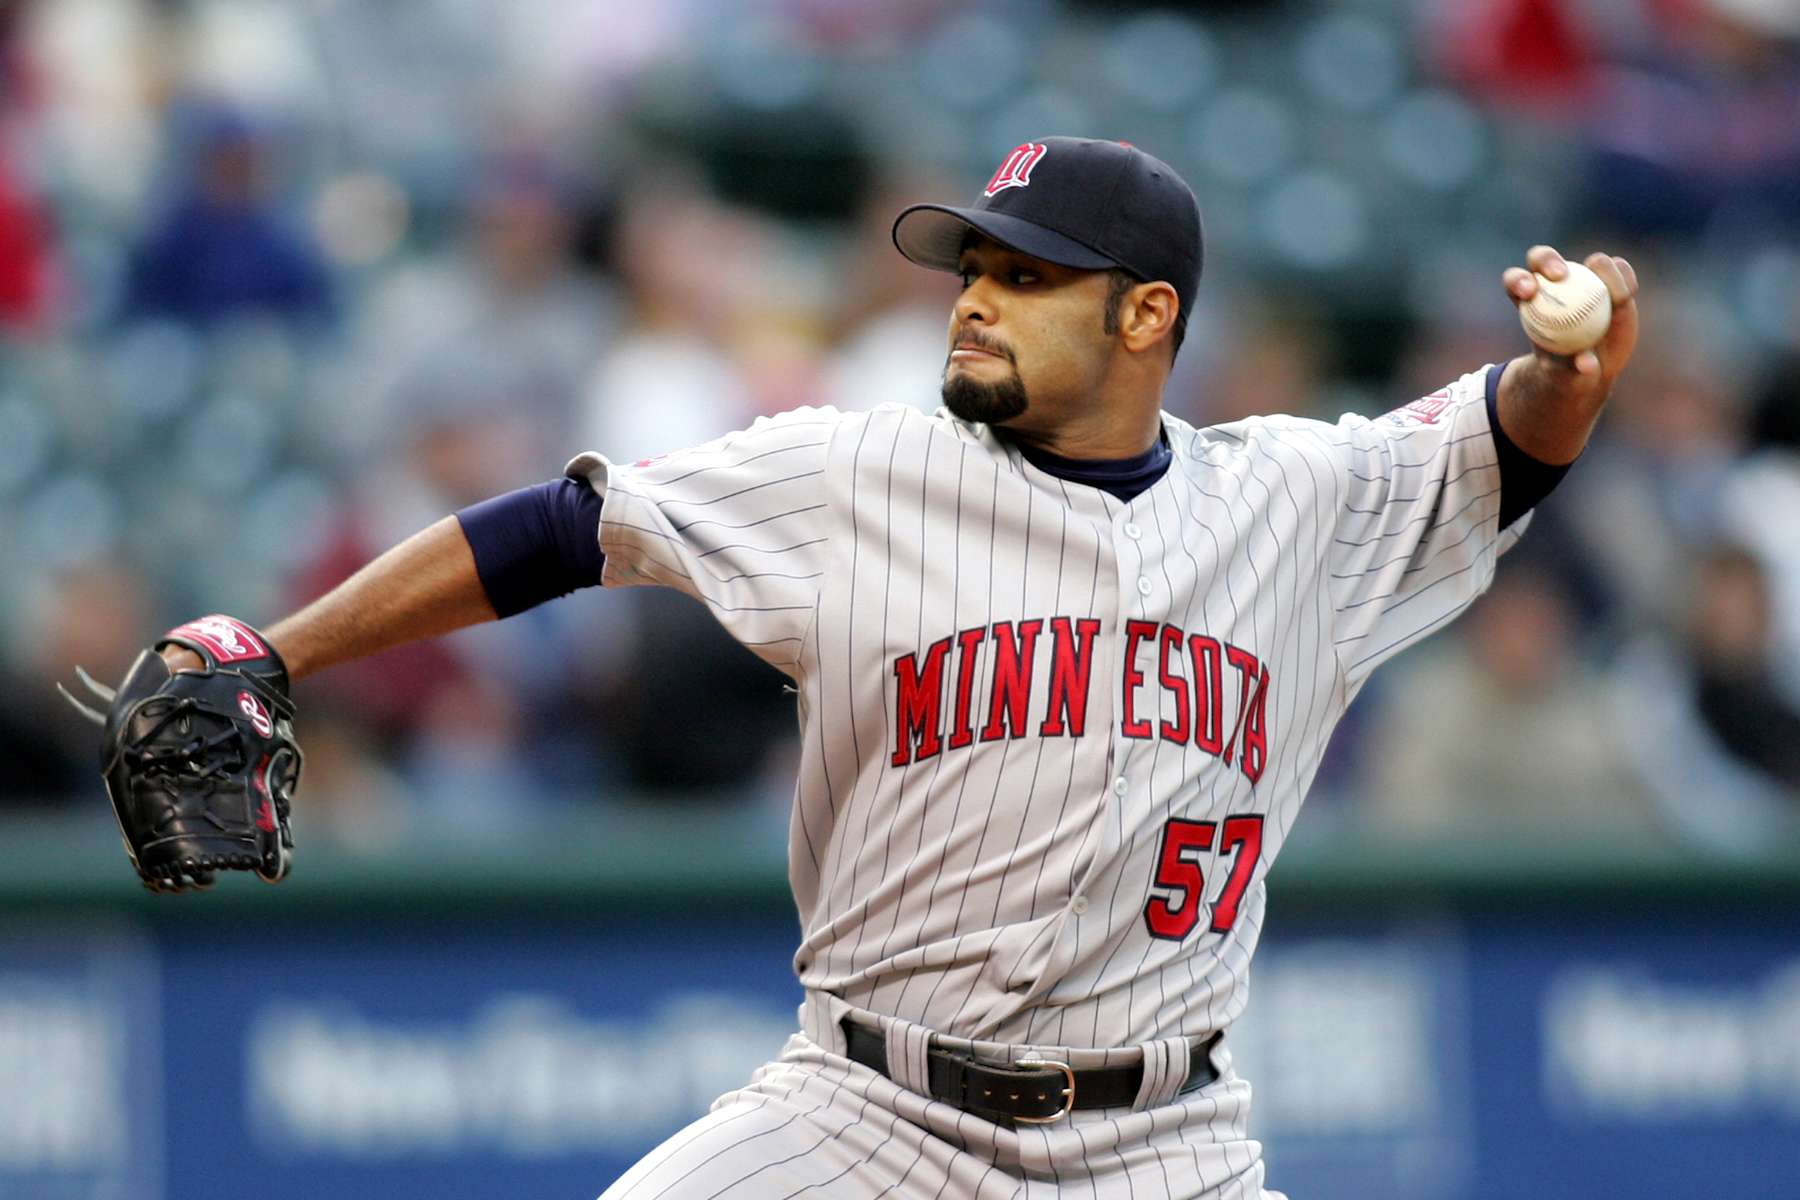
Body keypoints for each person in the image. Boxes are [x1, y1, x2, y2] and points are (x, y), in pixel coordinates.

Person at [129, 138, 1641, 1197]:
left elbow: (1509, 440)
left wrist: (1577, 364)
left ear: (1146, 313)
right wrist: (282, 648)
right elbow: (562, 532)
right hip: (867, 1119)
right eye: (971, 262)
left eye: (1027, 275)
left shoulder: (1300, 503)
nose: (974, 294)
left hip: (1164, 1148)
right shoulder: (850, 476)